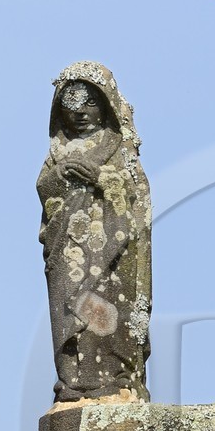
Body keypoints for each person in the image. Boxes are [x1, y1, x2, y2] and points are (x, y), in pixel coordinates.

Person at [37, 61, 152, 401]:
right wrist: (60, 176)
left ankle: (116, 379)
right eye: (70, 106)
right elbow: (45, 189)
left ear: (104, 106)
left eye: (88, 104)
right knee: (70, 309)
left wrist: (100, 178)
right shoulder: (57, 151)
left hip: (113, 248)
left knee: (110, 309)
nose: (80, 114)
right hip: (69, 247)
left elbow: (137, 195)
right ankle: (73, 379)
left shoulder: (117, 147)